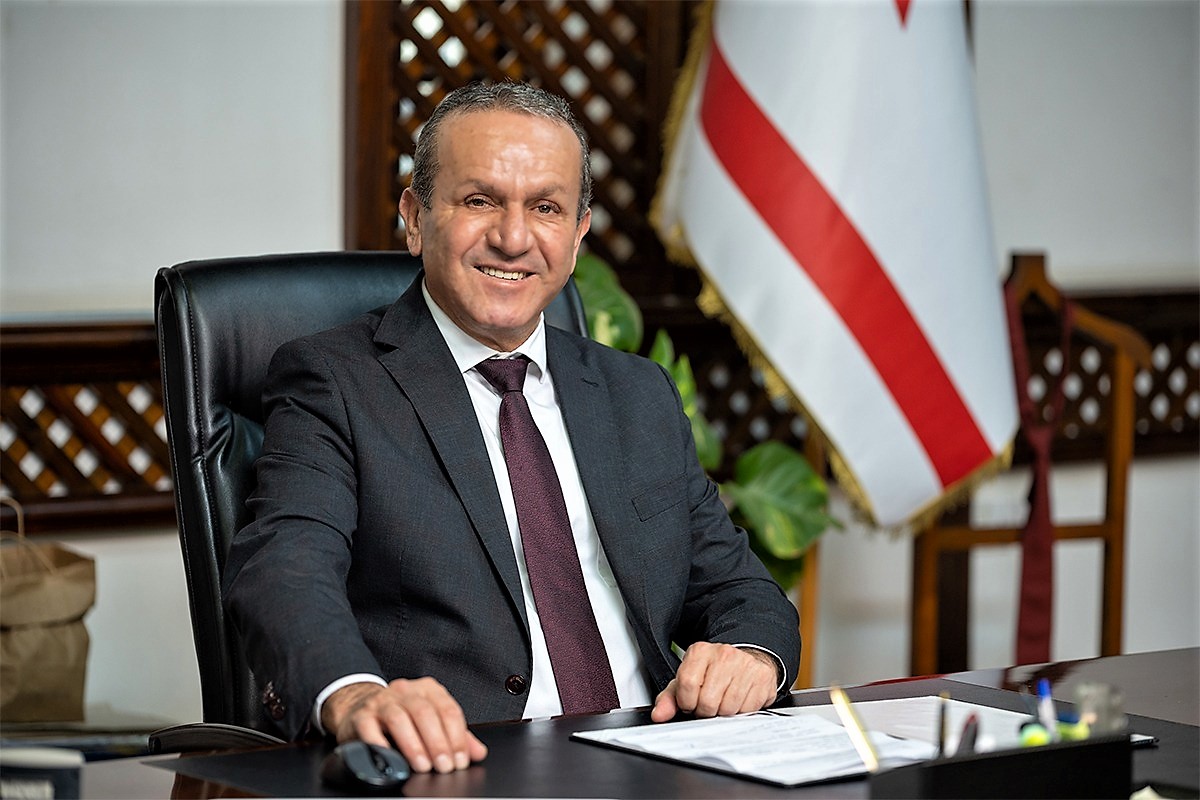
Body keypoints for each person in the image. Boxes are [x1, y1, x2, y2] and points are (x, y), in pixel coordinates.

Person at [222, 81, 799, 776]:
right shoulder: (335, 381)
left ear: (578, 235)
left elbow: (740, 589)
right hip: (464, 766)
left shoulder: (635, 392)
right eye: (479, 200)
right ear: (415, 217)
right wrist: (355, 696)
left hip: (656, 760)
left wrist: (750, 655)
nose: (514, 238)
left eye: (546, 208)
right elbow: (286, 568)